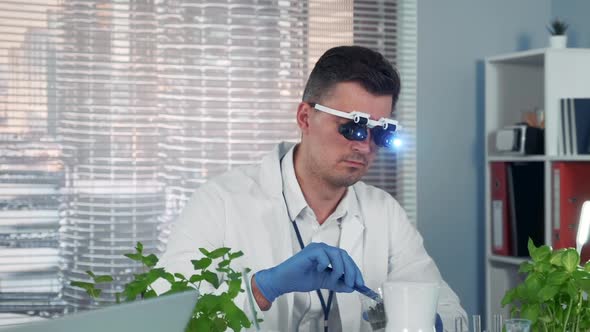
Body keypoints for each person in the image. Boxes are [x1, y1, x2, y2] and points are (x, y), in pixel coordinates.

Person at [157, 45, 467, 331]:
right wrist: (263, 289)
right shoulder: (219, 202)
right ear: (305, 117)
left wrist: (414, 316)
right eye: (353, 127)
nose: (364, 146)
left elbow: (450, 312)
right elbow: (168, 318)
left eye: (379, 133)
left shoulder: (384, 212)